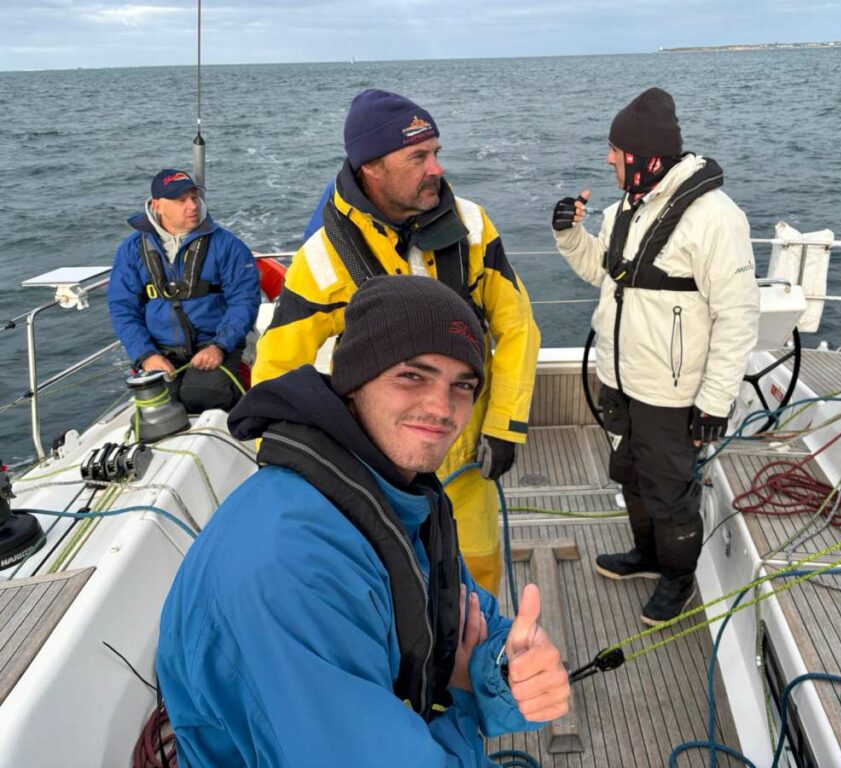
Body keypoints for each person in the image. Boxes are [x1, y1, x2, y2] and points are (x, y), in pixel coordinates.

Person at [158, 276, 570, 767]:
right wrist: (463, 694)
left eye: (462, 385)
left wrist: (508, 673)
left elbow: (467, 623)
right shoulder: (289, 564)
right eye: (412, 376)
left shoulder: (395, 494)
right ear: (354, 380)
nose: (442, 408)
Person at [252, 89, 541, 594]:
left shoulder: (473, 227)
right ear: (371, 168)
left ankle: (483, 663)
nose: (437, 169)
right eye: (418, 157)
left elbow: (517, 326)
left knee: (478, 577)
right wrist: (296, 469)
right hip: (376, 465)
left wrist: (505, 427)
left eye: (437, 153)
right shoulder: (322, 258)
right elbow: (278, 371)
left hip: (466, 449)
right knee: (396, 583)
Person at [551, 88, 760, 626]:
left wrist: (715, 401)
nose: (607, 159)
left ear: (643, 160)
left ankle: (677, 578)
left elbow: (738, 316)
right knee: (631, 474)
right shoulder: (630, 206)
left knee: (670, 493)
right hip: (620, 377)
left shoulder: (716, 217)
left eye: (615, 151)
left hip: (672, 391)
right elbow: (606, 270)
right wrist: (569, 235)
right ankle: (646, 557)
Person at [107, 169, 261, 413]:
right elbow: (122, 308)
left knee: (203, 396)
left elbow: (244, 301)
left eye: (194, 198)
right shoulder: (131, 249)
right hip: (159, 350)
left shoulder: (228, 245)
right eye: (181, 201)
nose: (192, 206)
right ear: (157, 205)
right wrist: (146, 355)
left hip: (215, 344)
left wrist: (219, 346)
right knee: (159, 407)